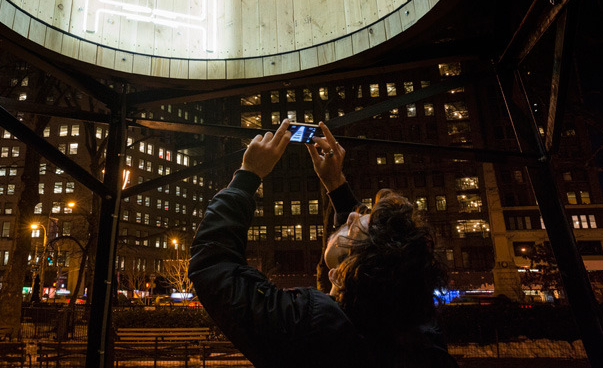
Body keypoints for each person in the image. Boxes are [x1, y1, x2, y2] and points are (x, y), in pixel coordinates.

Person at [189, 119, 456, 368]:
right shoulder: (418, 329)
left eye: (355, 224)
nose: (353, 214)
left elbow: (214, 267)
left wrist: (248, 175)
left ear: (339, 275)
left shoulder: (310, 325)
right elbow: (375, 251)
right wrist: (335, 184)